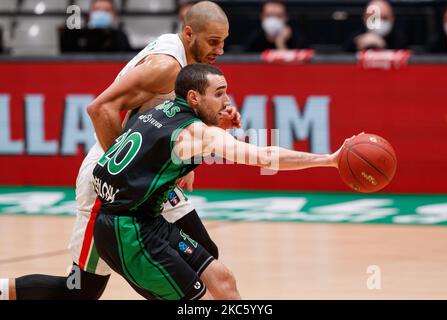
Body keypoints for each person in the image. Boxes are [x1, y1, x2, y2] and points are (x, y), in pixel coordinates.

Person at [0, 1, 240, 300]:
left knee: (205, 258)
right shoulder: (167, 65)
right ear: (189, 34)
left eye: (223, 42)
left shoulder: (188, 64)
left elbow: (172, 122)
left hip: (148, 181)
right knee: (80, 292)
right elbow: (100, 108)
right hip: (112, 180)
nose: (220, 51)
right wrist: (131, 174)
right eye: (213, 42)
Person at [92, 63, 352, 300]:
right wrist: (329, 160)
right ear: (194, 97)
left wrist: (219, 127)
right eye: (218, 93)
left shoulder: (161, 108)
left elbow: (160, 152)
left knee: (222, 280)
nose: (226, 100)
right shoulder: (195, 133)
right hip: (128, 234)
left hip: (145, 221)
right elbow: (264, 157)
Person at [60, 0, 132, 52]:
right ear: (90, 14)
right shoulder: (77, 36)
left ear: (114, 15)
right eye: (97, 9)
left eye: (106, 10)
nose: (101, 13)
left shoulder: (121, 37)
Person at [243, 0, 307, 53]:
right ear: (261, 17)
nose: (273, 20)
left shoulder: (297, 38)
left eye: (278, 16)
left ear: (286, 17)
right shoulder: (254, 39)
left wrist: (280, 43)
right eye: (269, 15)